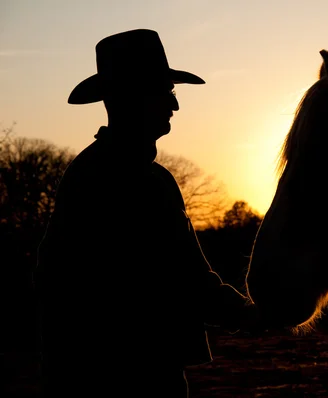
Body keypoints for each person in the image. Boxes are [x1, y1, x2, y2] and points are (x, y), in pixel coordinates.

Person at [35, 29, 257, 398]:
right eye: (166, 93)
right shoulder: (118, 177)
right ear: (133, 98)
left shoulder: (118, 172)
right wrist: (248, 314)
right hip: (126, 375)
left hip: (123, 368)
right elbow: (183, 276)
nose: (175, 106)